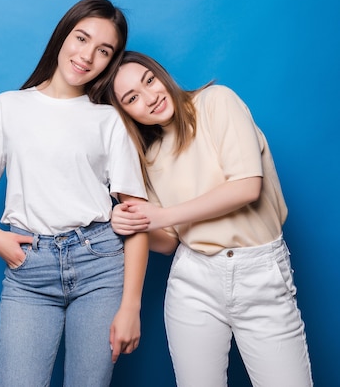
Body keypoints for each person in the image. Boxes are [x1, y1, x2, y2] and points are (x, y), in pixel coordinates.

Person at [105, 50, 313, 387]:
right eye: (132, 98)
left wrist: (161, 215)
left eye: (149, 80)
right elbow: (169, 240)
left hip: (259, 272)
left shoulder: (217, 102)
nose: (150, 97)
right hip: (193, 280)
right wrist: (128, 223)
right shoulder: (151, 155)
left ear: (161, 74)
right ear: (125, 113)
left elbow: (247, 186)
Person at [0, 0, 149, 387]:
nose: (87, 56)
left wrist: (131, 306)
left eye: (104, 51)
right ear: (62, 36)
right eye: (81, 38)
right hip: (29, 270)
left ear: (111, 61)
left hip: (100, 266)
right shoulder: (8, 107)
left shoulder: (110, 120)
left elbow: (136, 218)